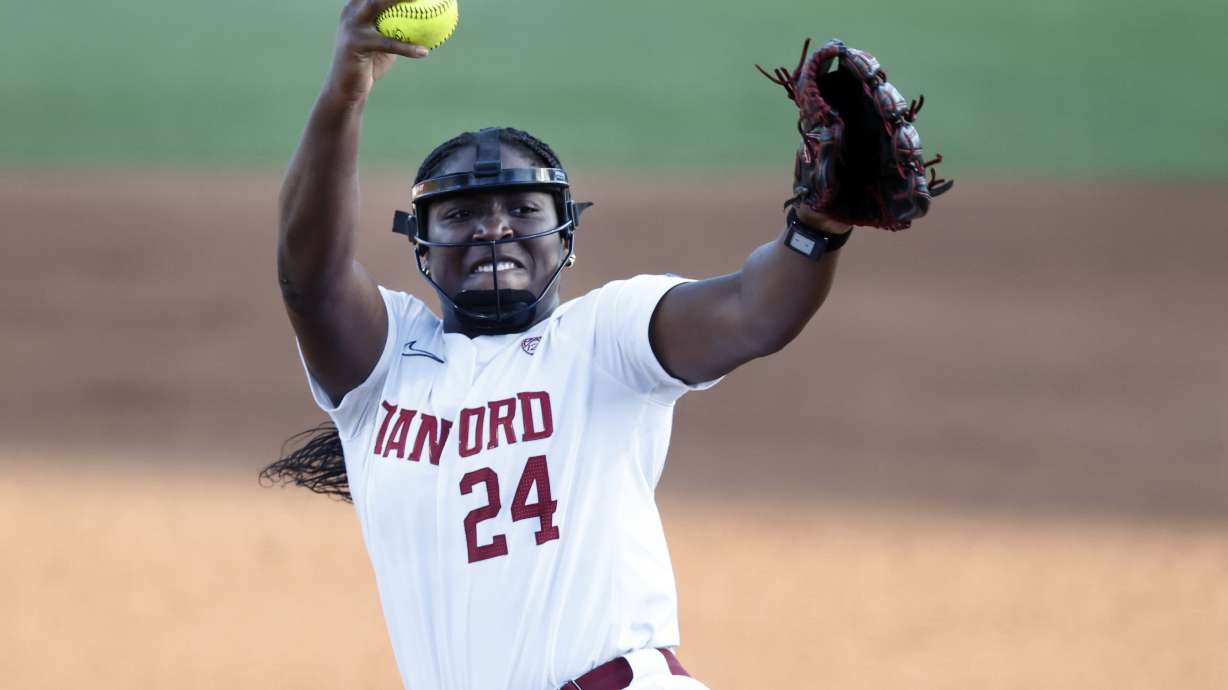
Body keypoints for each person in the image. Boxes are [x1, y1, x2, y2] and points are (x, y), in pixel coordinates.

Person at [265, 2, 851, 688]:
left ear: (566, 234)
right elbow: (309, 277)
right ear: (421, 243)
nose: (493, 230)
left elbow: (755, 310)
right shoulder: (384, 367)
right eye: (460, 215)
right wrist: (345, 92)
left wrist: (817, 226)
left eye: (522, 210)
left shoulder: (607, 335)